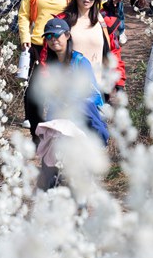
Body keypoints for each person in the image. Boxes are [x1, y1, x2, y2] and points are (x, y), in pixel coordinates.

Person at [28, 18, 109, 189]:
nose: (53, 39)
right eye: (48, 36)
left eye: (57, 35)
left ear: (67, 35)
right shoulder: (50, 65)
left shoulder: (80, 62)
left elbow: (95, 96)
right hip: (56, 120)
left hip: (79, 119)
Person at [18, 0, 72, 126]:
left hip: (60, 43)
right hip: (37, 41)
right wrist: (25, 38)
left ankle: (57, 115)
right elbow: (24, 15)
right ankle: (31, 117)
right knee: (35, 82)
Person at [56, 0, 127, 94]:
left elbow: (114, 52)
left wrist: (119, 82)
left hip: (99, 87)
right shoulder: (62, 22)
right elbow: (50, 54)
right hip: (70, 88)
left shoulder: (104, 23)